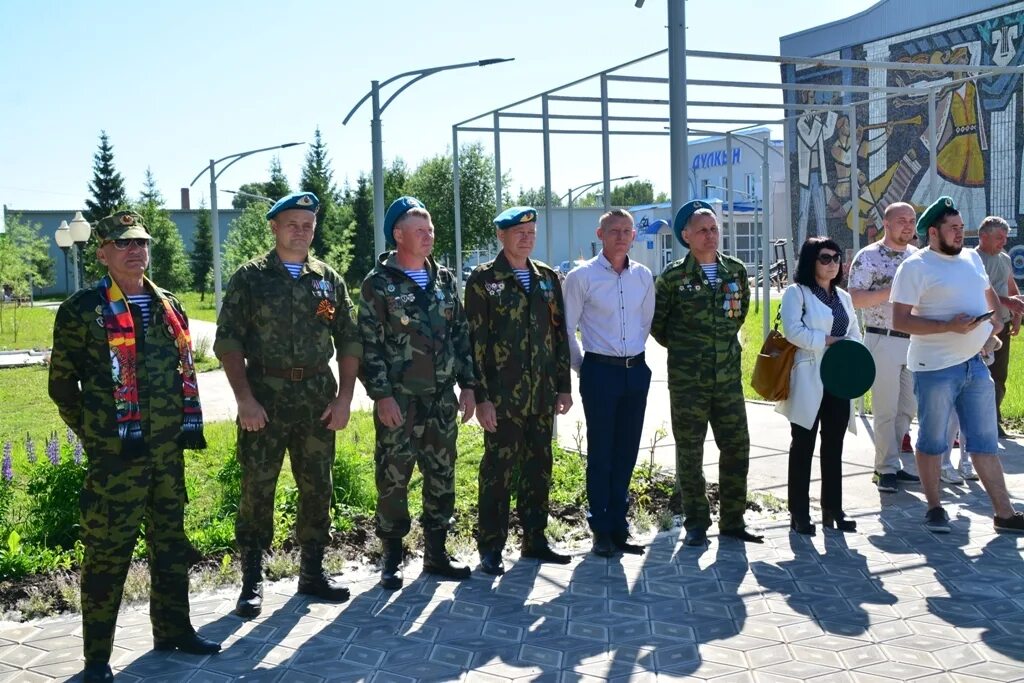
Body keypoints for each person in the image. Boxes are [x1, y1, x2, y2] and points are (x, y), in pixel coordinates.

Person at [49, 211, 220, 683]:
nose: (135, 251)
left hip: (167, 454)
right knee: (107, 554)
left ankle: (174, 631)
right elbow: (63, 387)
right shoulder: (82, 310)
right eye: (123, 244)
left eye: (141, 243)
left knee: (170, 547)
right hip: (117, 459)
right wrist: (98, 438)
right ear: (101, 251)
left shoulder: (171, 305)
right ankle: (97, 659)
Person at [215, 192, 361, 618]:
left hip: (317, 398)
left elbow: (350, 339)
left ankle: (312, 573)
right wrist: (244, 399)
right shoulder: (251, 278)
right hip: (265, 397)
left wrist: (345, 397)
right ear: (274, 228)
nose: (302, 231)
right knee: (257, 489)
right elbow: (228, 341)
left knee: (318, 487)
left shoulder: (328, 279)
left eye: (308, 224)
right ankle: (251, 580)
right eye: (293, 224)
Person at [359, 196, 477, 588]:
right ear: (398, 235)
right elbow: (368, 346)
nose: (428, 236)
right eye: (419, 231)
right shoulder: (378, 284)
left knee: (442, 473)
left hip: (441, 398)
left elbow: (461, 335)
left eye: (430, 230)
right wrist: (382, 395)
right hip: (400, 399)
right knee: (393, 476)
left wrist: (470, 386)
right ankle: (392, 557)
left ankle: (436, 553)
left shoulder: (444, 279)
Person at [890, 196, 1024, 534]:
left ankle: (1004, 514)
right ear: (933, 232)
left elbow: (988, 295)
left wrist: (992, 326)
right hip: (934, 368)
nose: (960, 234)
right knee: (933, 441)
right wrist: (948, 326)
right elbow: (901, 321)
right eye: (954, 228)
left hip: (974, 365)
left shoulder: (971, 259)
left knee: (984, 441)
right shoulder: (915, 267)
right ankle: (934, 507)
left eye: (962, 228)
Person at [465, 206, 573, 575]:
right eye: (518, 233)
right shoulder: (483, 279)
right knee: (498, 472)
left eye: (531, 232)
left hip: (541, 395)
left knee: (539, 468)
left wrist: (563, 387)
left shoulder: (546, 278)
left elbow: (559, 336)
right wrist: (482, 398)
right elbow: (475, 343)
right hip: (503, 398)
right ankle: (491, 548)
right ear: (501, 236)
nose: (526, 238)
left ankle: (535, 540)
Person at [652, 200, 762, 546]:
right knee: (690, 451)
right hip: (689, 381)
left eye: (714, 228)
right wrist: (691, 351)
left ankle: (732, 519)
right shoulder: (673, 277)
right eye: (702, 230)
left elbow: (739, 313)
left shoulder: (736, 271)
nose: (710, 235)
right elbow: (659, 326)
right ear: (685, 235)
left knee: (736, 447)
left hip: (728, 379)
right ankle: (697, 522)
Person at [563, 209, 654, 557]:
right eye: (614, 230)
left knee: (627, 451)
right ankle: (600, 527)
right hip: (599, 371)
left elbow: (645, 323)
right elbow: (568, 328)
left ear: (634, 236)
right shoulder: (581, 277)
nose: (621, 236)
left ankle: (620, 525)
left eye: (627, 231)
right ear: (600, 235)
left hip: (636, 370)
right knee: (601, 453)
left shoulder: (643, 276)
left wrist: (633, 357)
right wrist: (581, 368)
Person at [777, 238, 861, 535]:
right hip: (809, 377)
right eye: (825, 258)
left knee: (834, 445)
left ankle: (833, 509)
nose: (833, 263)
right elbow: (793, 331)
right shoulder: (796, 293)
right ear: (811, 260)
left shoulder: (843, 297)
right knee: (803, 445)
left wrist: (848, 347)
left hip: (838, 377)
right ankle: (799, 512)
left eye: (837, 257)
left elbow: (854, 332)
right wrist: (826, 340)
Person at [847, 202, 921, 494]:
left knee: (908, 408)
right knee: (886, 407)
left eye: (912, 220)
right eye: (901, 220)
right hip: (883, 337)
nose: (908, 225)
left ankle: (892, 462)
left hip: (915, 340)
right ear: (886, 224)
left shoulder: (918, 257)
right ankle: (885, 468)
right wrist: (893, 292)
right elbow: (855, 299)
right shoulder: (869, 257)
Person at [974, 215, 1024, 437]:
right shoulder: (972, 260)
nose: (1004, 242)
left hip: (1001, 326)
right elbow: (979, 293)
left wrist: (1016, 314)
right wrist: (1008, 302)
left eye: (1005, 237)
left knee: (999, 376)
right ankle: (982, 423)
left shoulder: (1004, 258)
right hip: (979, 328)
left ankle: (994, 420)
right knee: (980, 377)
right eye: (999, 238)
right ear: (983, 237)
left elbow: (1010, 287)